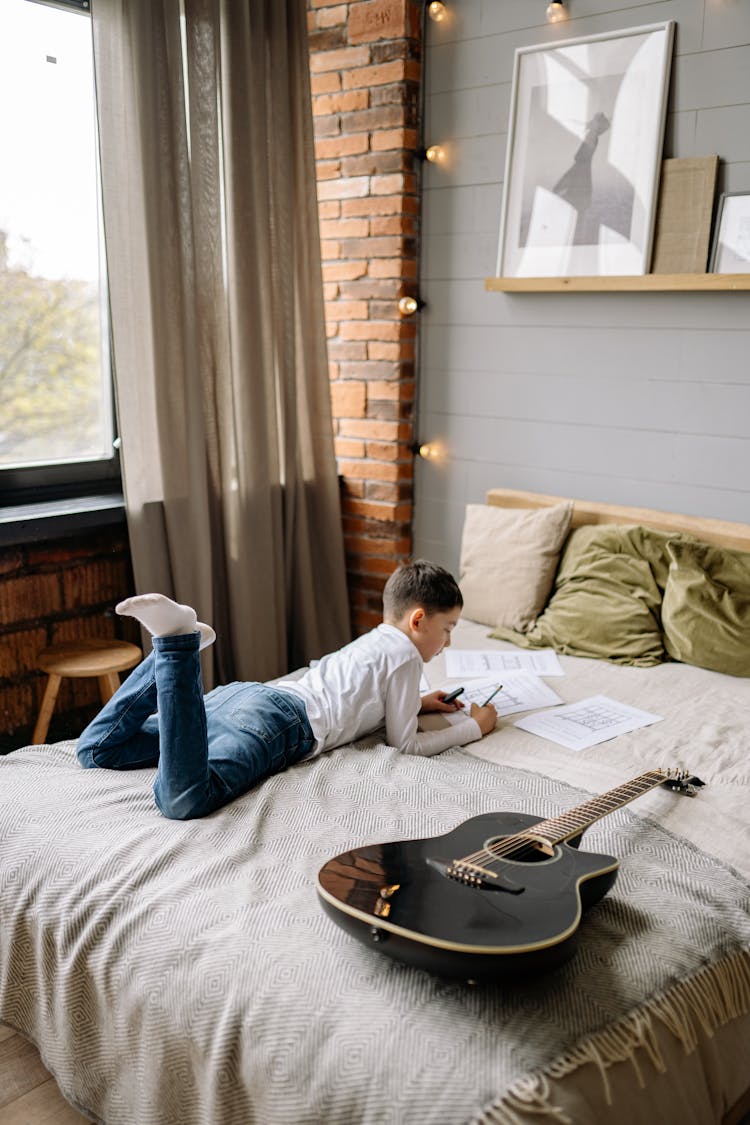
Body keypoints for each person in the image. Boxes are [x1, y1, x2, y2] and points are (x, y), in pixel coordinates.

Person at [77, 561, 498, 820]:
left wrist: (420, 702)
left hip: (245, 697)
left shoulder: (377, 639)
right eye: (448, 630)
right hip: (279, 723)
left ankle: (171, 650)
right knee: (184, 800)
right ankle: (175, 645)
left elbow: (367, 696)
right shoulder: (407, 656)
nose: (448, 643)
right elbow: (402, 745)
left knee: (97, 751)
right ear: (419, 620)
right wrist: (472, 728)